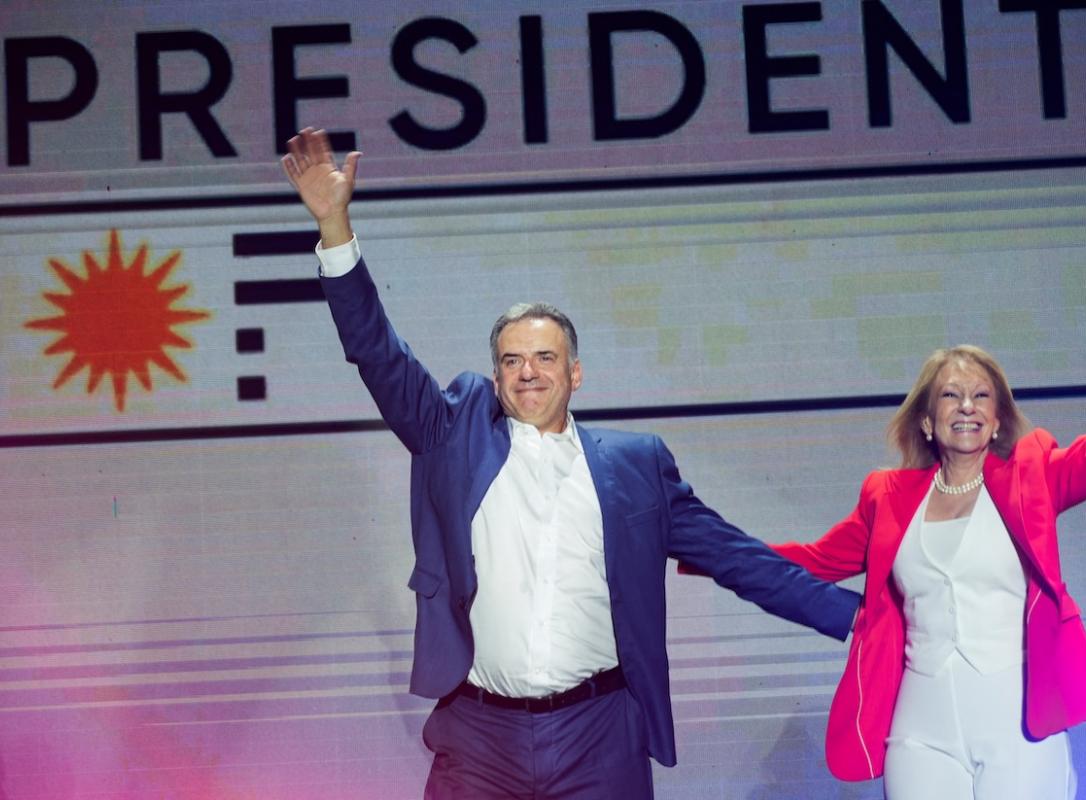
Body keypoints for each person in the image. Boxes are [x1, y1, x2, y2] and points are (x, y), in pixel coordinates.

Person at [280, 127, 862, 799]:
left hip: (599, 729)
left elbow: (740, 560)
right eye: (511, 361)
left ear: (576, 373)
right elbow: (376, 353)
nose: (528, 372)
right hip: (480, 734)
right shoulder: (450, 433)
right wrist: (334, 226)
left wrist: (858, 619)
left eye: (546, 357)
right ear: (495, 378)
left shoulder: (637, 466)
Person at [764, 297, 1086, 799]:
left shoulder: (1030, 476)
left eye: (981, 396)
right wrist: (697, 543)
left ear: (996, 421)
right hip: (921, 725)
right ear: (928, 421)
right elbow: (809, 562)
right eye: (950, 395)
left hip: (1016, 718)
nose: (966, 406)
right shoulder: (888, 498)